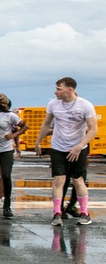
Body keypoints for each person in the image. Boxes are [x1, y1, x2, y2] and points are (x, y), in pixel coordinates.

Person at [35, 77, 98, 226]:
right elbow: (46, 124)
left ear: (69, 89)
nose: (55, 91)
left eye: (58, 88)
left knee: (78, 180)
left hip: (78, 147)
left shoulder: (85, 105)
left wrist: (79, 146)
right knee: (59, 179)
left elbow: (93, 129)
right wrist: (38, 141)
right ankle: (57, 213)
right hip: (58, 147)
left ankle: (84, 213)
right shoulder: (53, 104)